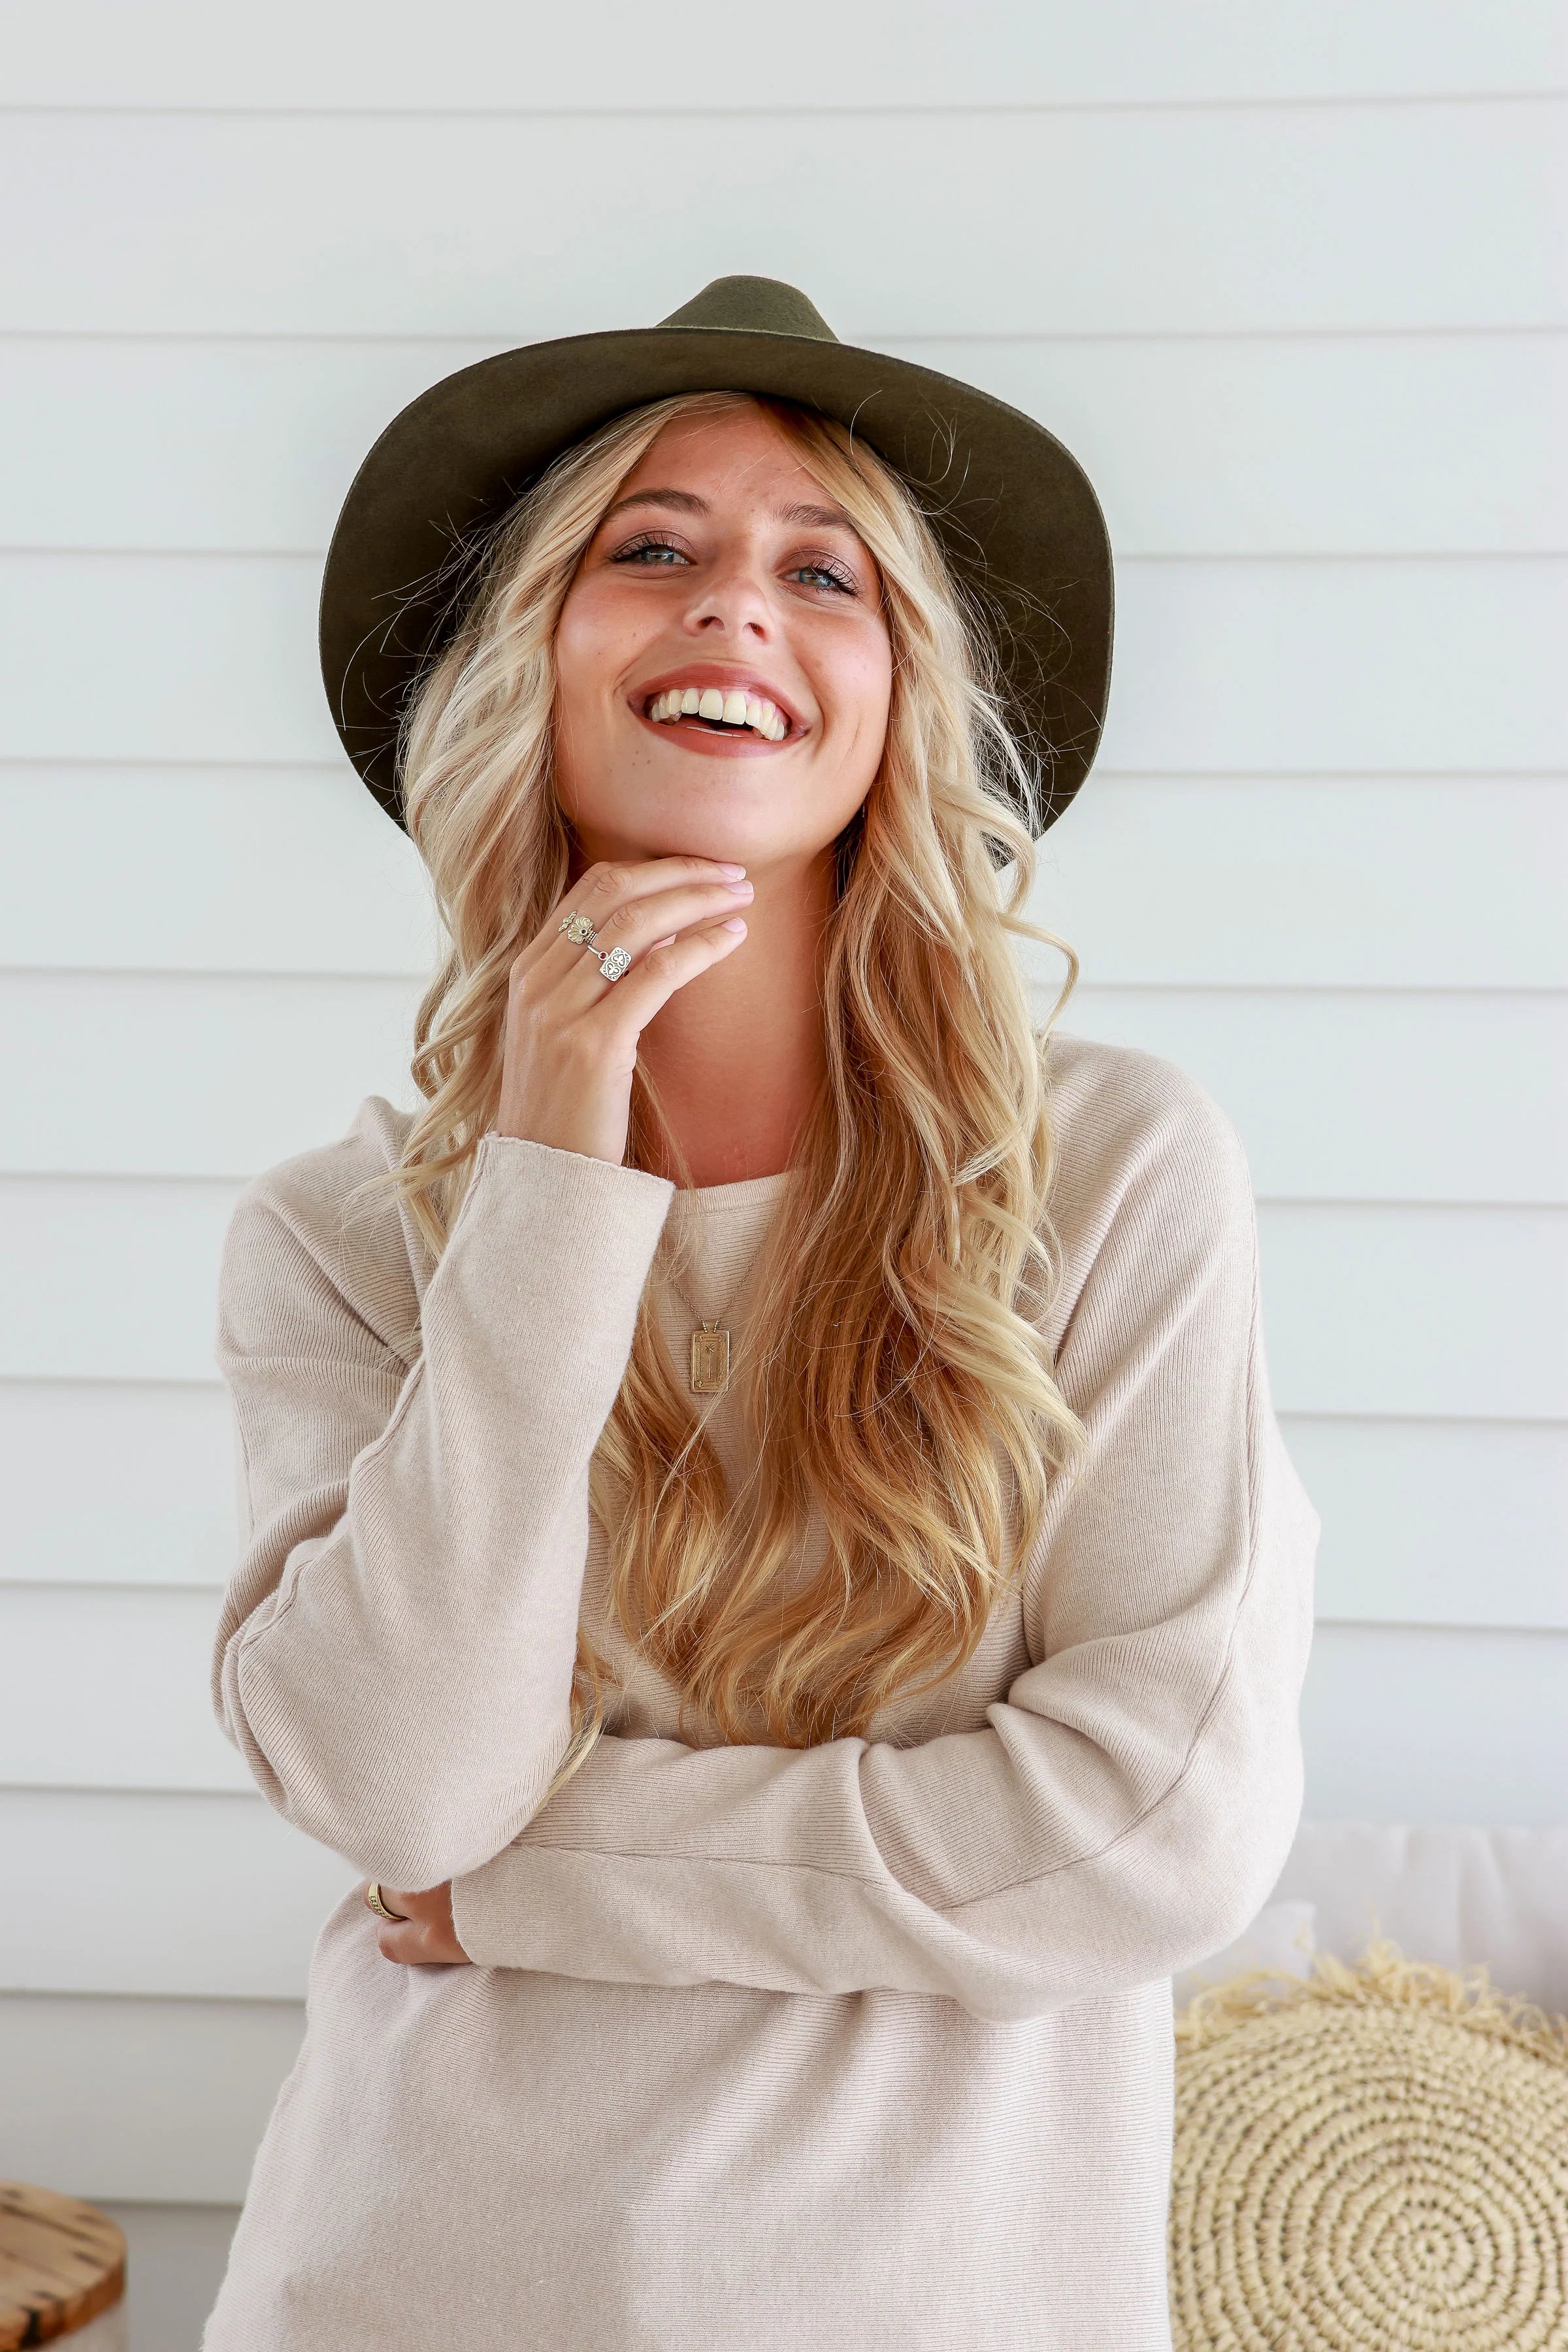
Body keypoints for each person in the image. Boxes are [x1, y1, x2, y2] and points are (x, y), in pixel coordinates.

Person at [202, 276, 1318, 2351]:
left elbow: (1153, 1834)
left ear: (899, 700)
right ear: (527, 662)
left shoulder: (1109, 1174)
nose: (736, 603)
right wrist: (549, 1173)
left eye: (824, 572)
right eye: (652, 550)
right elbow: (404, 1796)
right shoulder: (341, 1238)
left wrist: (539, 1883)